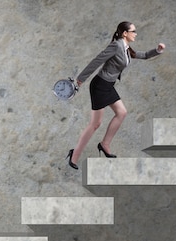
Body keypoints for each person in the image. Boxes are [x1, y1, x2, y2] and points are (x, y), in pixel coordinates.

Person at [66, 21, 165, 169]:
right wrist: (80, 79)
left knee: (122, 113)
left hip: (108, 85)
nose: (136, 34)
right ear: (125, 33)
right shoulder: (116, 46)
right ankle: (74, 155)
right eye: (133, 31)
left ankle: (104, 144)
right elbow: (97, 61)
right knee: (95, 124)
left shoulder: (125, 47)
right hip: (100, 86)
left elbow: (142, 55)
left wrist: (157, 50)